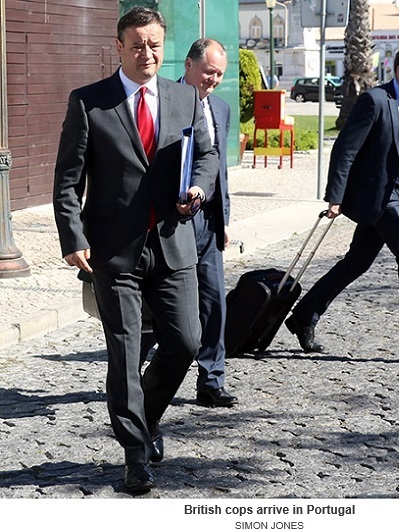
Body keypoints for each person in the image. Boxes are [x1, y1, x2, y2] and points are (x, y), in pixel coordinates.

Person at [53, 7, 218, 494]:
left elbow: (205, 156)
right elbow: (67, 180)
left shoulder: (185, 97)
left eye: (155, 45)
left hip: (172, 241)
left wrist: (200, 190)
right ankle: (135, 454)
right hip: (114, 250)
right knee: (124, 354)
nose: (148, 54)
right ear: (119, 47)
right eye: (137, 45)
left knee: (187, 341)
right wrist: (72, 236)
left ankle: (144, 418)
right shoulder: (89, 103)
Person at [285, 43, 399, 363]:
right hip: (379, 197)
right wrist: (336, 197)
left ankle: (304, 316)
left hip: (397, 195)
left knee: (357, 262)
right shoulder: (375, 101)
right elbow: (345, 150)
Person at [140, 38, 237, 408]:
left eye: (219, 75)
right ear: (189, 65)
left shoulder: (222, 109)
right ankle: (135, 376)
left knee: (214, 303)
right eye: (209, 72)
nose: (213, 80)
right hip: (171, 223)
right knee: (158, 308)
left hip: (208, 221)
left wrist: (224, 217)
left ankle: (211, 379)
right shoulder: (165, 103)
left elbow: (219, 169)